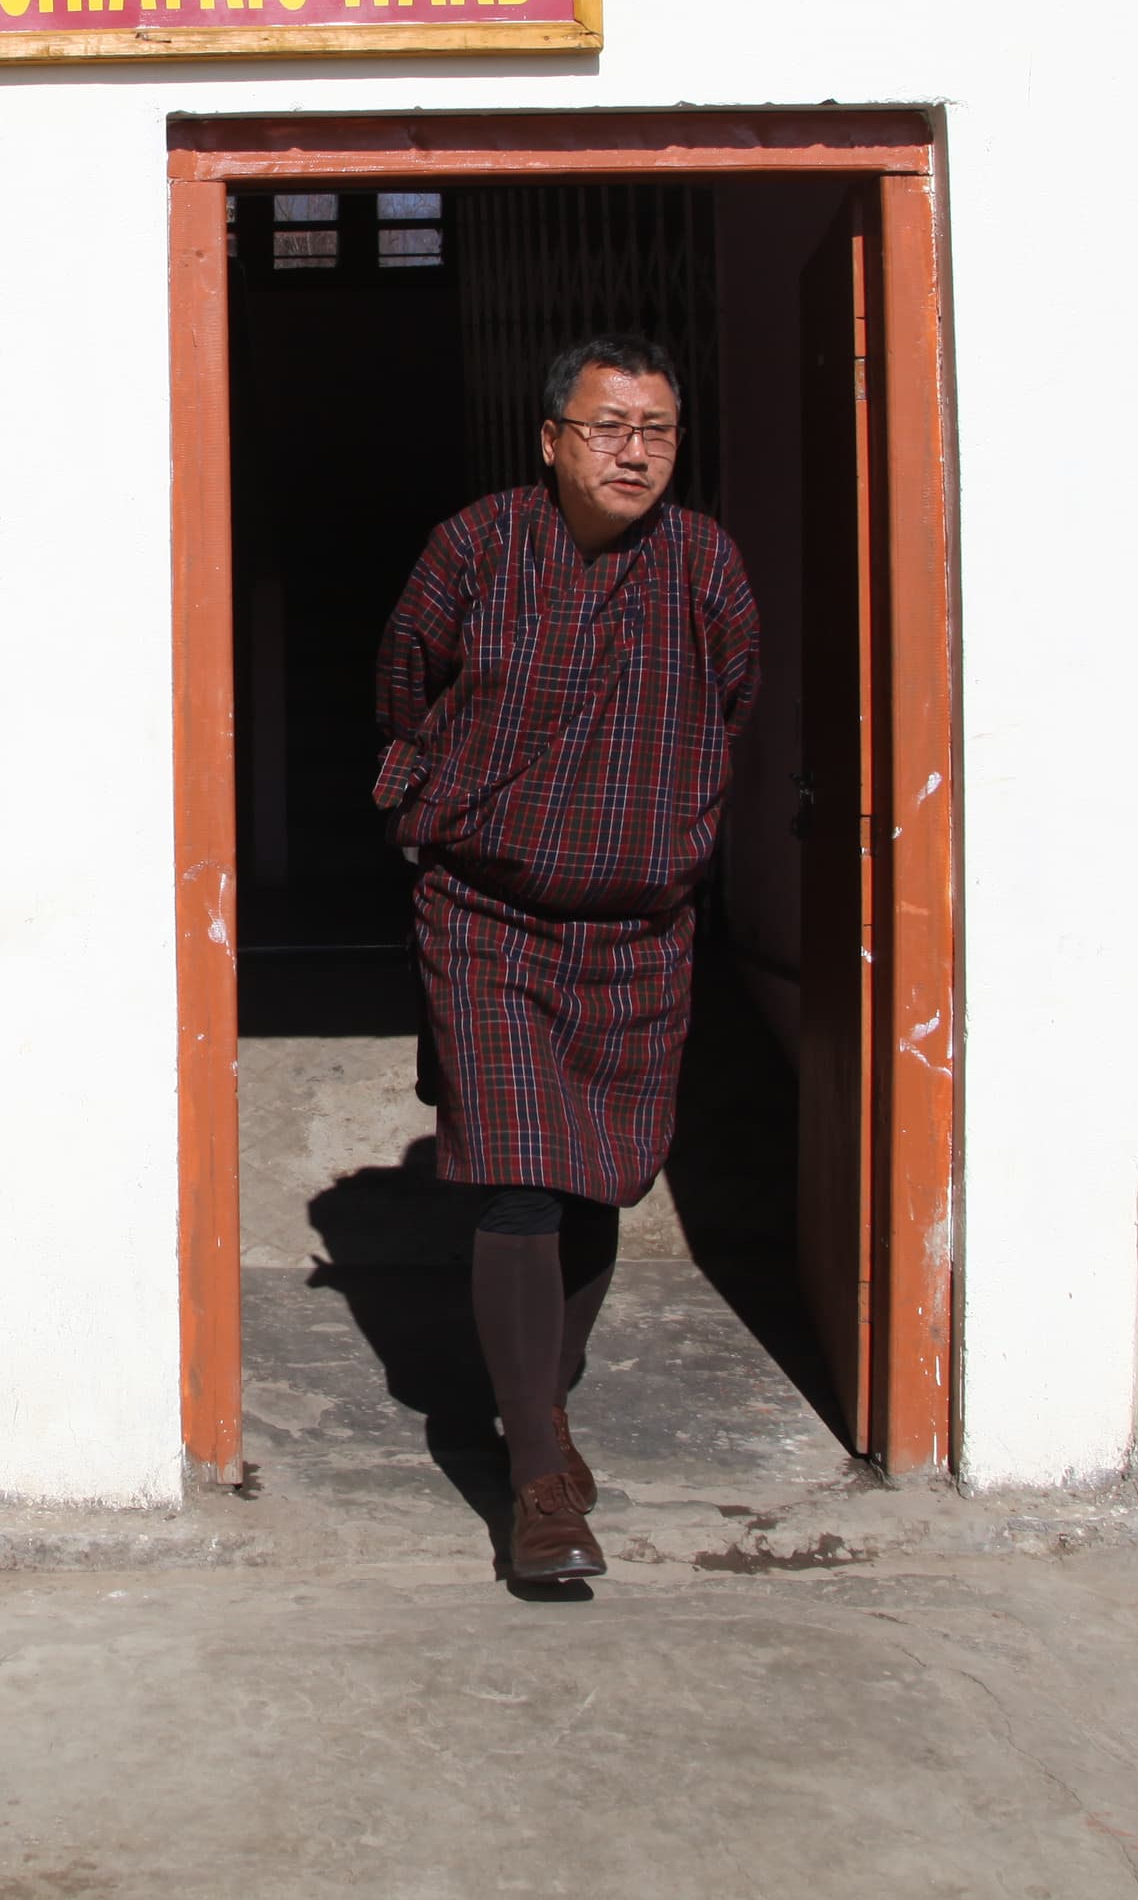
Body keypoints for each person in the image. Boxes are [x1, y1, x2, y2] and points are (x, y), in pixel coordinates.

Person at [372, 332, 760, 1585]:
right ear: (550, 440)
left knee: (597, 1177)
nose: (633, 450)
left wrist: (673, 833)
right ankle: (538, 1477)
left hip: (641, 922)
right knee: (523, 1178)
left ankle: (541, 1406)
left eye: (656, 429)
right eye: (607, 426)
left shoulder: (705, 566)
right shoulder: (476, 549)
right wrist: (445, 809)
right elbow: (405, 689)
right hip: (487, 912)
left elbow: (734, 706)